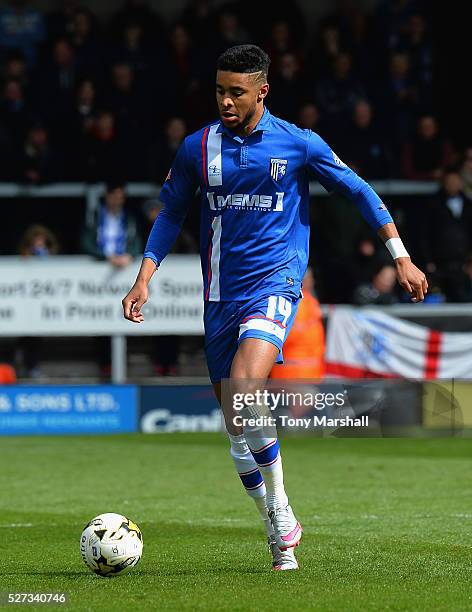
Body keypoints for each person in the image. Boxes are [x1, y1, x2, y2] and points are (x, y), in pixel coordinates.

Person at [122, 44, 427, 571]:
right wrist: (144, 276)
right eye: (219, 90)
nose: (224, 101)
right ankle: (274, 523)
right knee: (236, 427)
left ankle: (281, 505)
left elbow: (358, 190)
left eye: (236, 92)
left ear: (262, 91)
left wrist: (400, 256)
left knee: (245, 386)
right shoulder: (197, 148)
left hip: (276, 283)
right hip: (220, 295)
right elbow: (171, 211)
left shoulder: (298, 144)